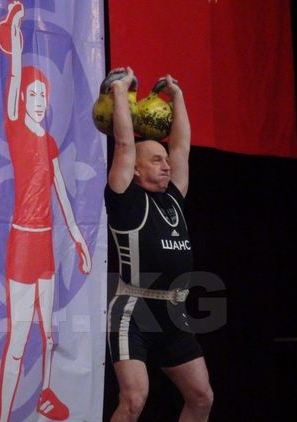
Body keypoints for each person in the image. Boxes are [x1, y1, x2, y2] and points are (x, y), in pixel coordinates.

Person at [0, 3, 92, 421]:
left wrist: (78, 238)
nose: (38, 101)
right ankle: (2, 416)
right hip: (22, 242)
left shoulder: (49, 142)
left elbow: (62, 195)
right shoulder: (16, 129)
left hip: (46, 245)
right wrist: (17, 33)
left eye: (42, 96)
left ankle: (44, 394)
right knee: (18, 340)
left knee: (48, 335)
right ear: (23, 99)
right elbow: (15, 76)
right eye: (32, 95)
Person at [105, 67, 214, 422]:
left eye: (165, 161)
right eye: (156, 160)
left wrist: (177, 97)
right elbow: (124, 145)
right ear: (135, 169)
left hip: (174, 311)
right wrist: (120, 91)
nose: (167, 166)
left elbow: (181, 148)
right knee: (134, 399)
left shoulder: (173, 198)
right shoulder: (125, 199)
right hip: (133, 311)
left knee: (201, 397)